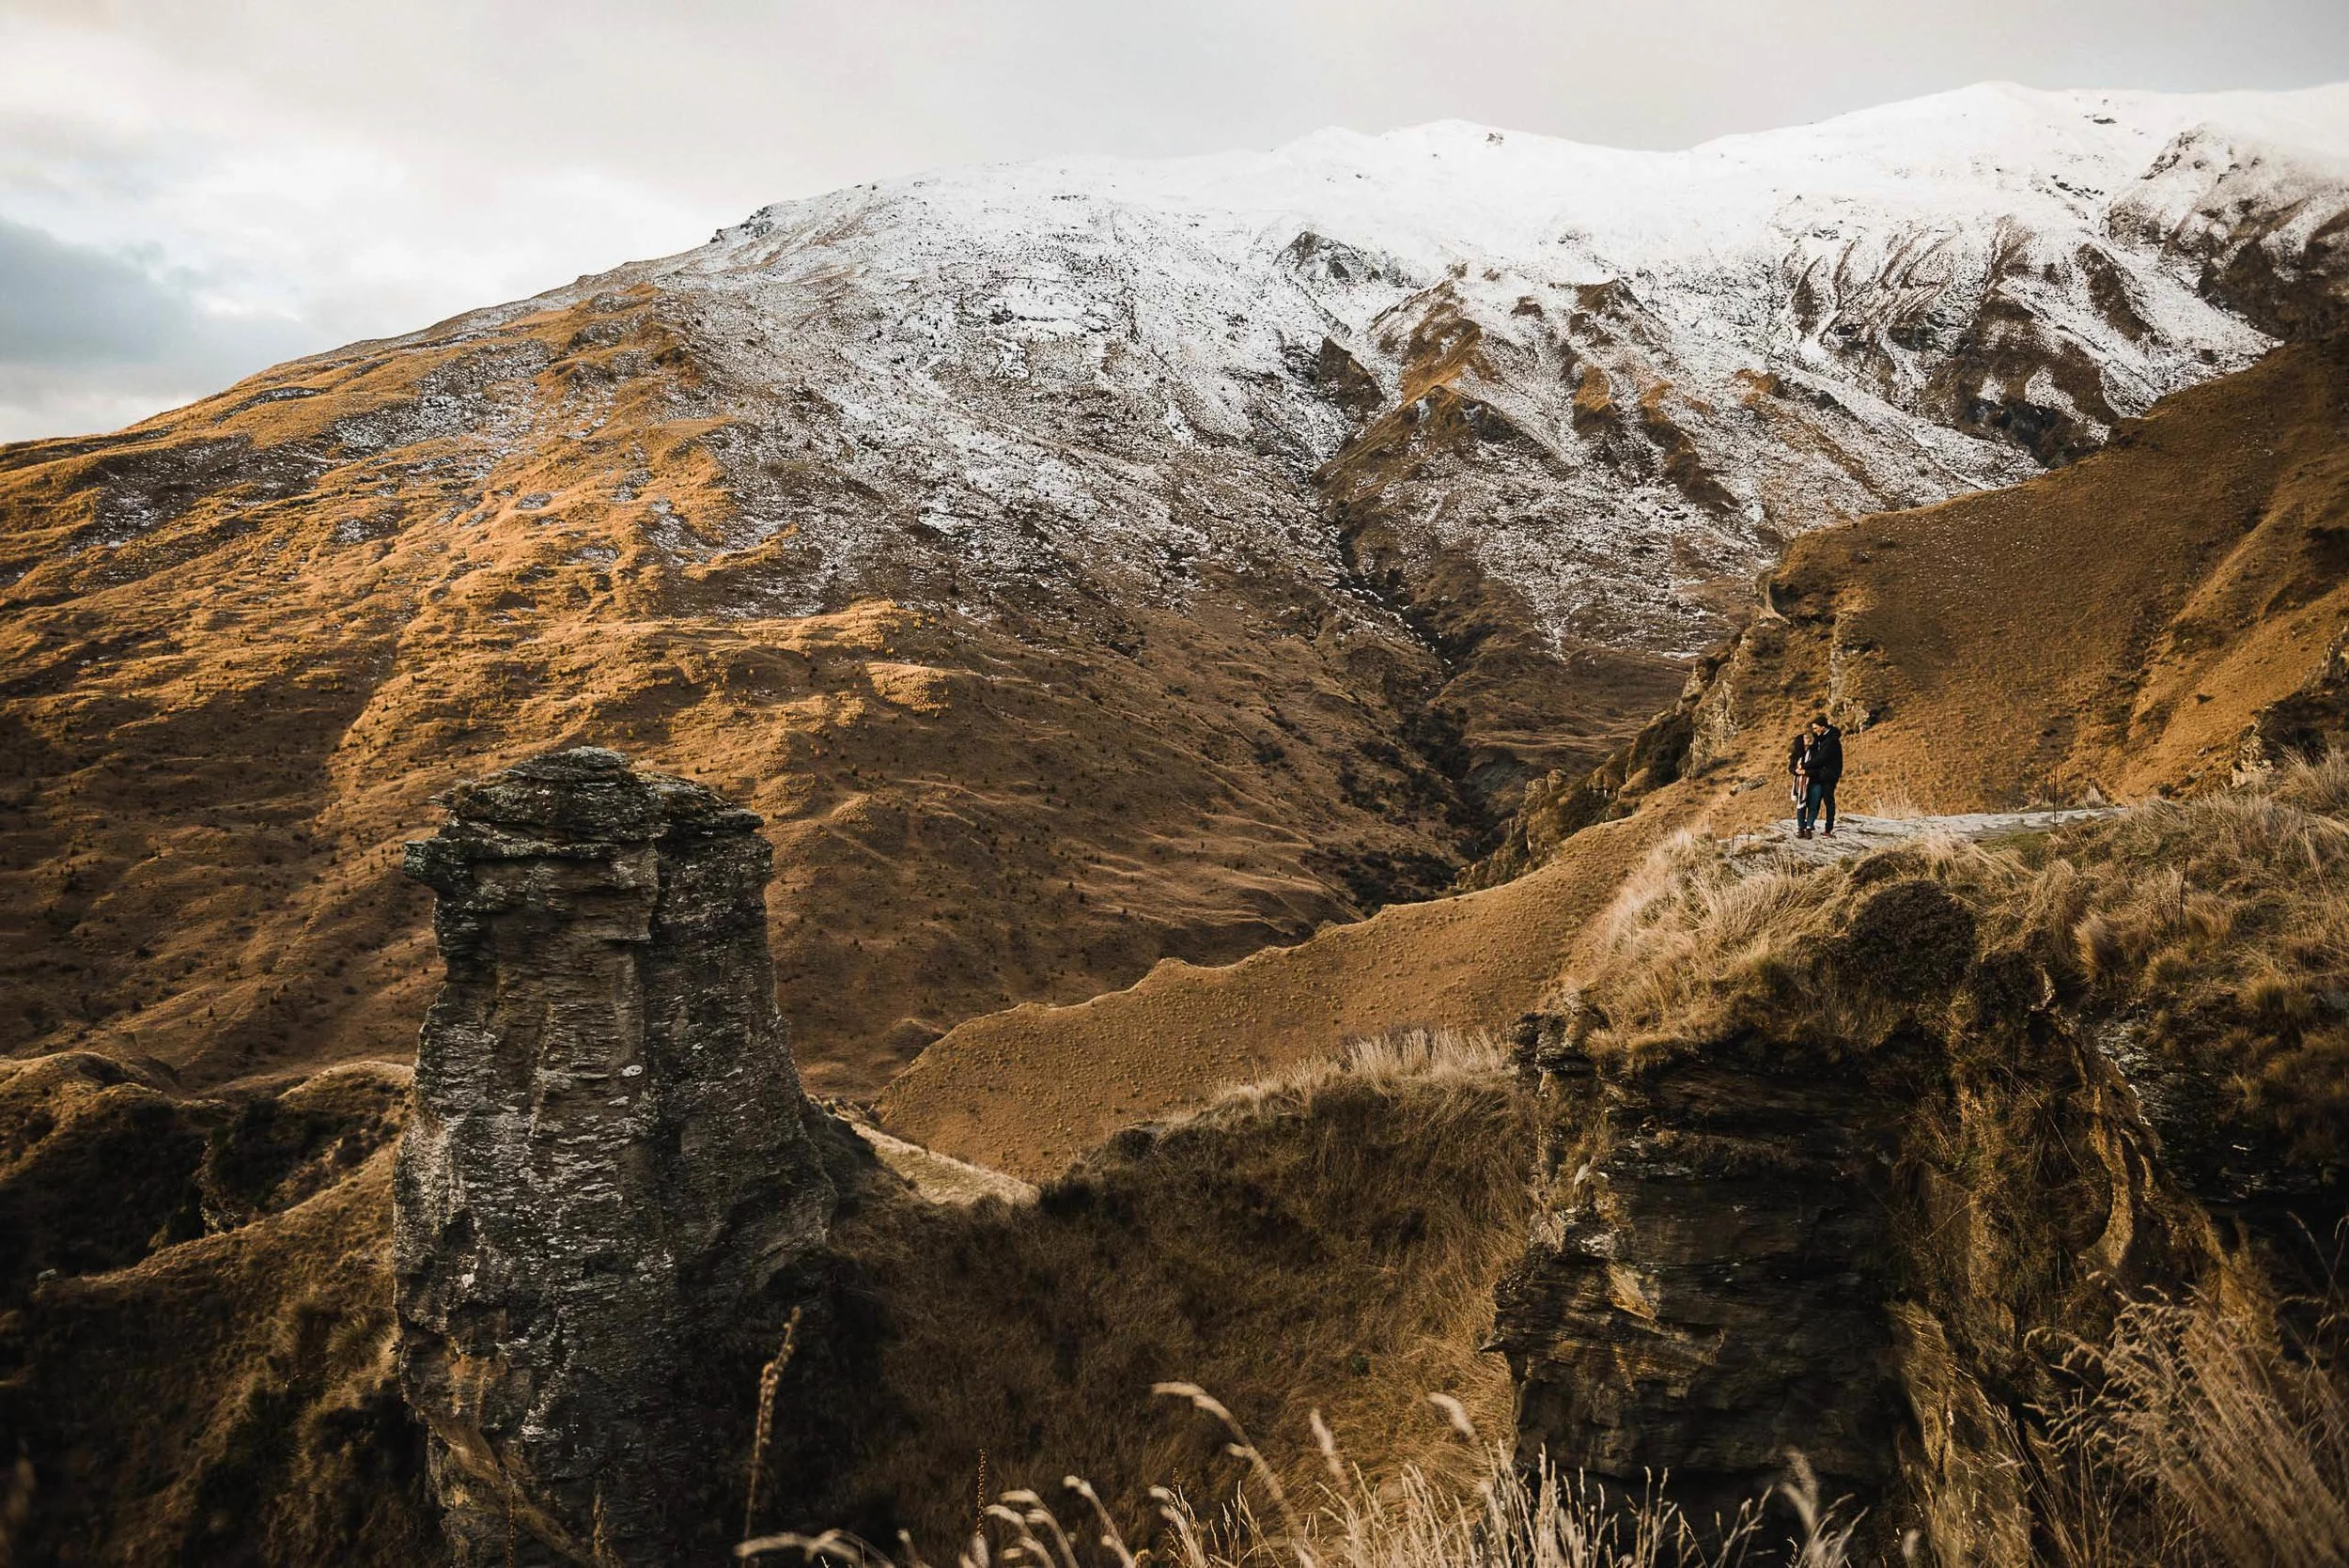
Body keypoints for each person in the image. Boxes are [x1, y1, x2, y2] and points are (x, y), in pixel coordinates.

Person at [1797, 715, 1843, 838]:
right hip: (1818, 775)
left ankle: (1828, 829)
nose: (1815, 730)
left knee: (1828, 801)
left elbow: (1821, 759)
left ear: (1823, 727)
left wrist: (1804, 766)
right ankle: (1809, 825)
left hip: (1828, 776)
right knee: (1814, 801)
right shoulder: (1820, 738)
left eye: (1816, 728)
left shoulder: (1831, 741)